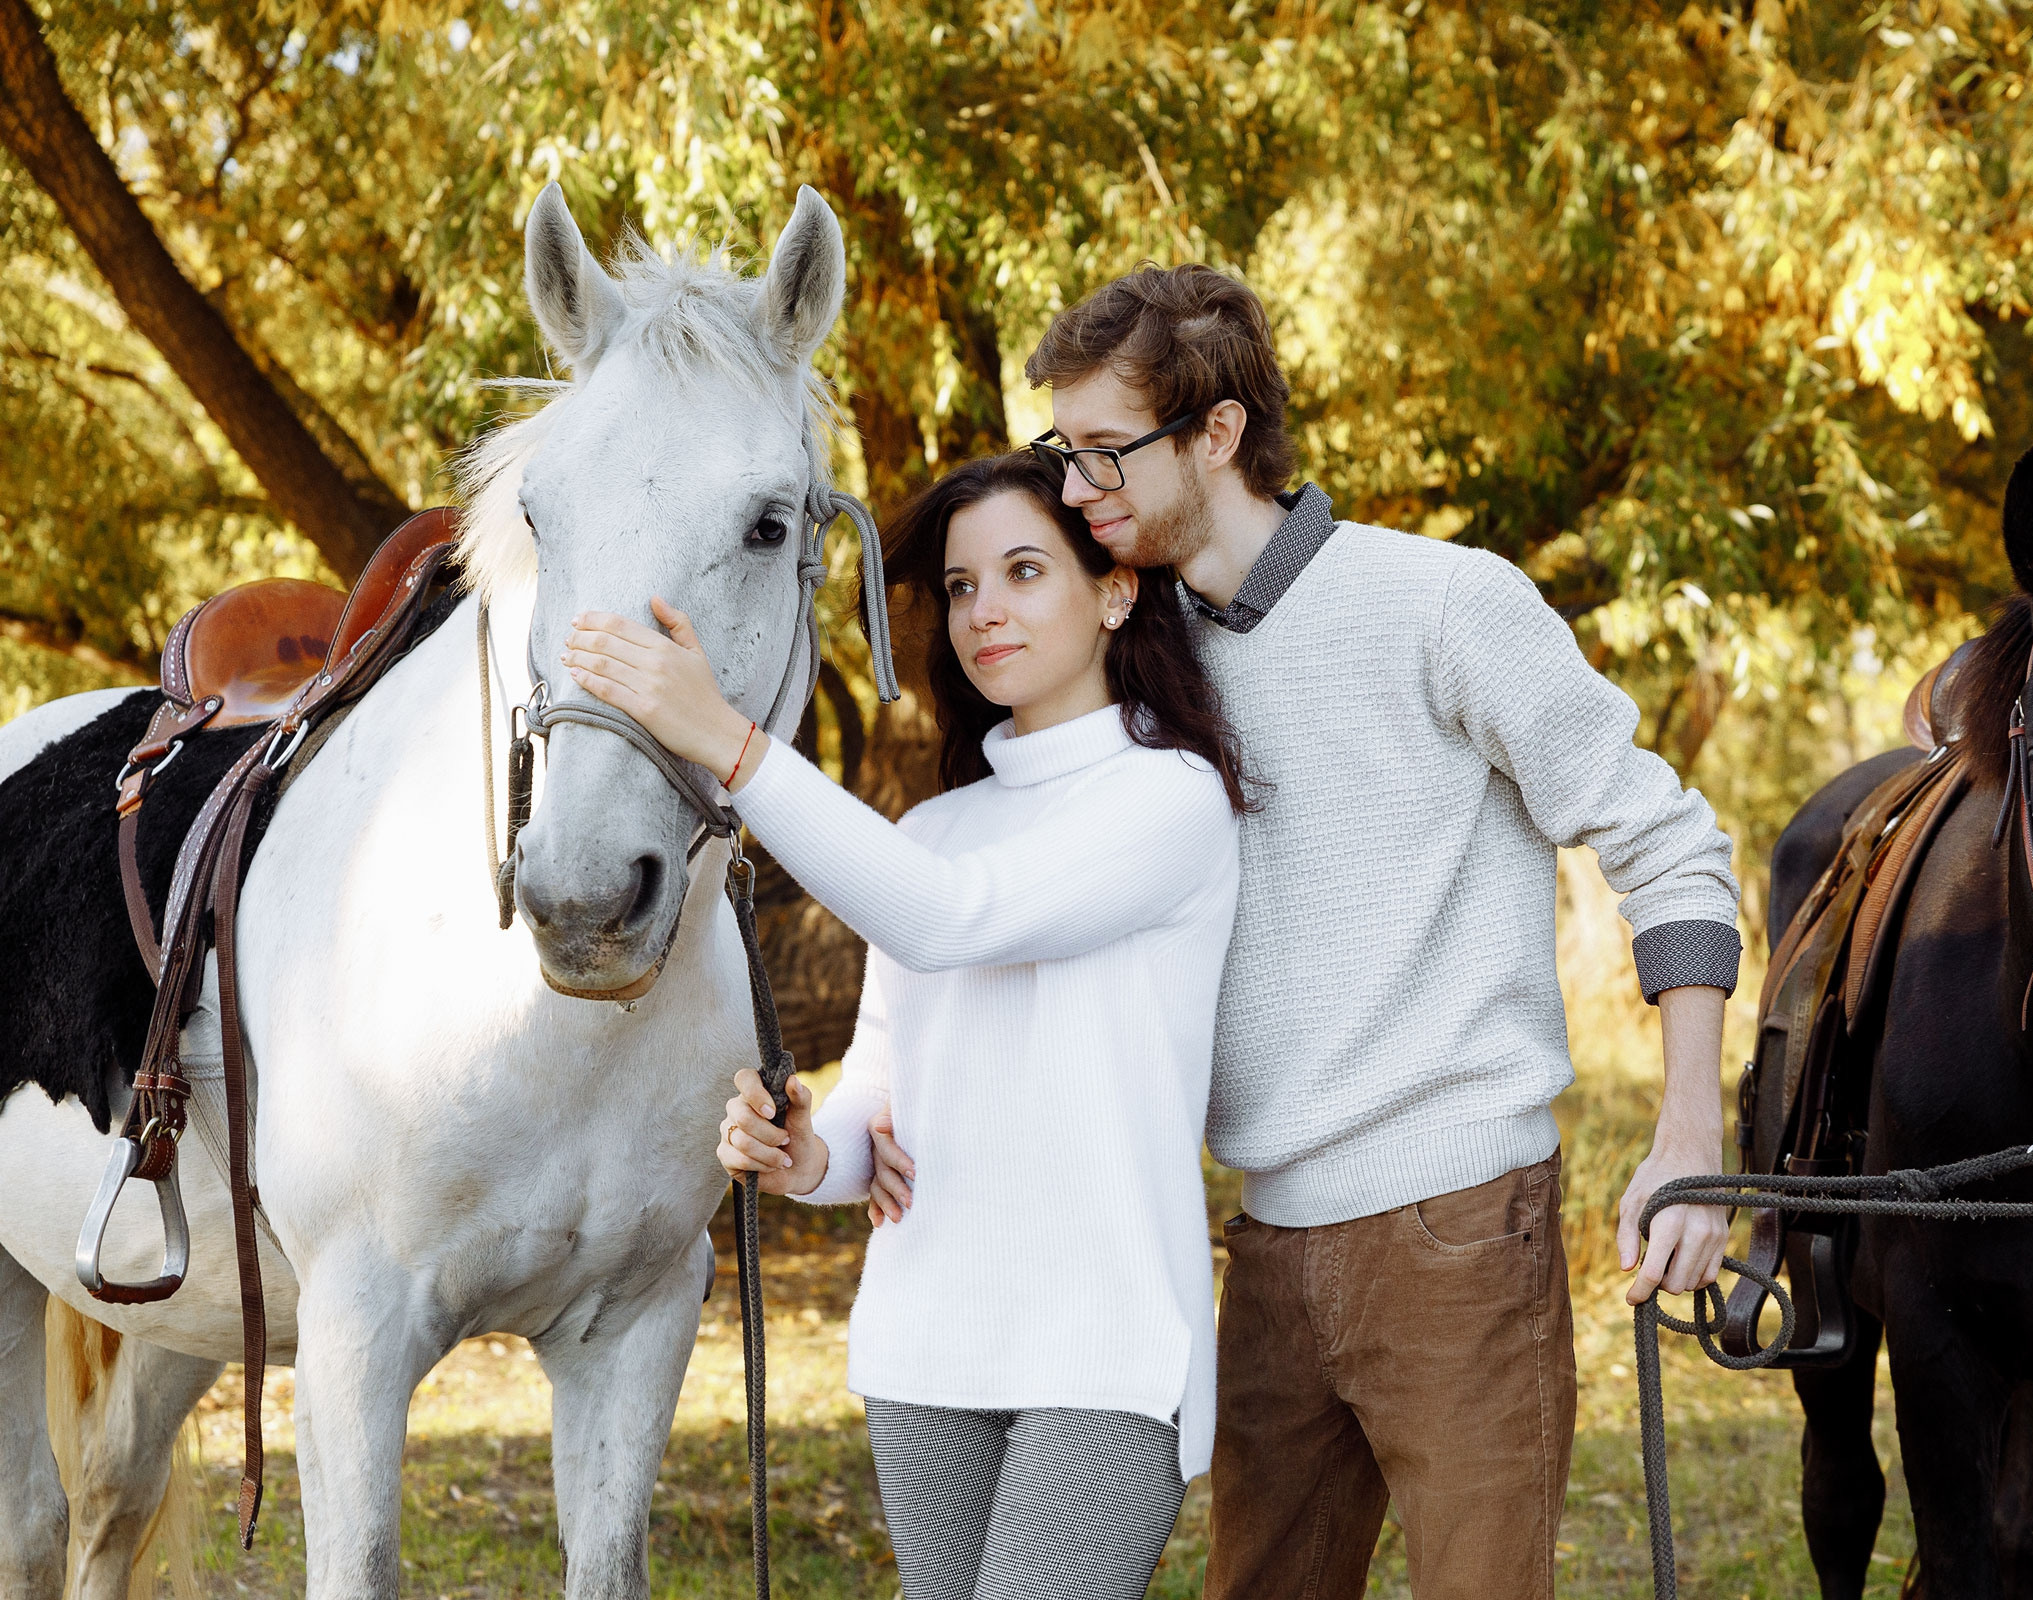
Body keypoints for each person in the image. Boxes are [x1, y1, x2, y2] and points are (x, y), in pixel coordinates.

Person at [1004, 265, 1741, 1599]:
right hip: (1266, 1247)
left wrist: (1691, 1131)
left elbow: (1670, 844)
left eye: (1106, 452)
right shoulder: (1137, 651)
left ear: (1216, 436)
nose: (1076, 490)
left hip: (1457, 1237)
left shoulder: (1447, 605)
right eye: (1067, 454)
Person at [559, 450, 1245, 1600]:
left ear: (1115, 591)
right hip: (927, 1338)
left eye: (1024, 572)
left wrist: (727, 740)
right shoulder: (927, 830)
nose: (985, 613)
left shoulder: (1168, 798)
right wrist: (810, 1151)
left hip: (1109, 1347)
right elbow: (886, 1103)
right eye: (964, 587)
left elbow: (952, 922)